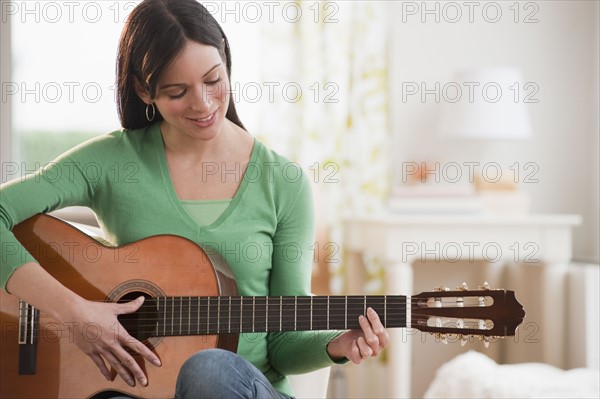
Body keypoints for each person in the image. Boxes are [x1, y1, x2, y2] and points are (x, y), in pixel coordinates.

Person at [0, 0, 389, 398]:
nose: (202, 104)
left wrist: (336, 345)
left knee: (208, 371)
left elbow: (284, 347)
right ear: (142, 89)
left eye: (212, 80)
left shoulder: (283, 183)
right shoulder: (110, 162)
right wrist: (75, 312)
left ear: (225, 56)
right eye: (177, 91)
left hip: (237, 389)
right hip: (133, 390)